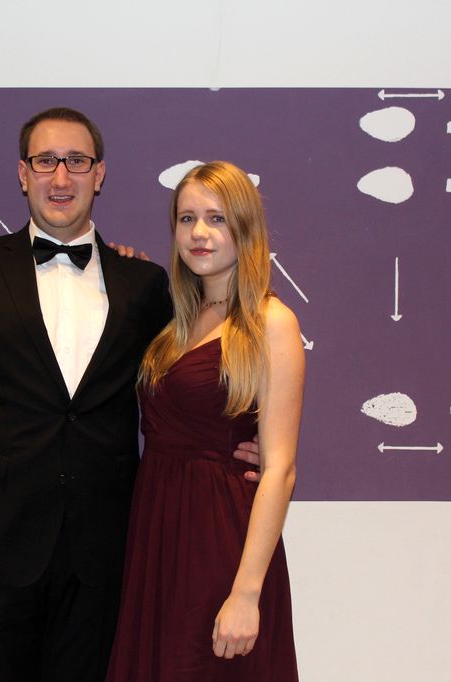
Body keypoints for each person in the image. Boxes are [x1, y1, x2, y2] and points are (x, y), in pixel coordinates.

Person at [0, 108, 261, 682]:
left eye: (76, 161)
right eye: (46, 161)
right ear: (23, 173)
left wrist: (242, 439)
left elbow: (192, 379)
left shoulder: (144, 285)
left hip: (107, 556)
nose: (61, 176)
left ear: (100, 174)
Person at [106, 161, 305, 681]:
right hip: (158, 536)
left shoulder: (272, 323)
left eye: (216, 218)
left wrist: (246, 593)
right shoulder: (177, 322)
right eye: (186, 218)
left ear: (245, 226)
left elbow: (280, 469)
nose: (199, 232)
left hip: (221, 543)